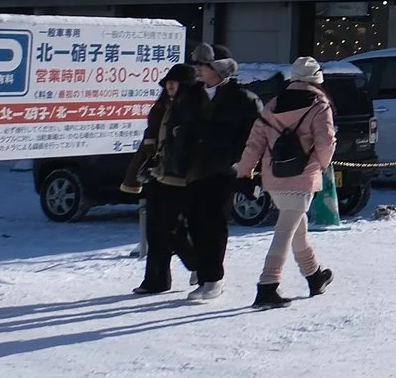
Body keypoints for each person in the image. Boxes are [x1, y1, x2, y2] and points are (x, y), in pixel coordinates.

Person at [236, 57, 338, 309]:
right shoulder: (318, 104)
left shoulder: (273, 104)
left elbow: (255, 142)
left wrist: (245, 171)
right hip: (302, 176)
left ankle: (315, 276)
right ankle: (267, 286)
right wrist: (320, 166)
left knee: (296, 229)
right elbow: (326, 142)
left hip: (274, 176)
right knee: (285, 232)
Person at [180, 51, 261, 303]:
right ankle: (204, 276)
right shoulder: (192, 95)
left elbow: (255, 137)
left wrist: (241, 164)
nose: (199, 69)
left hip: (224, 171)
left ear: (221, 69)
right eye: (199, 64)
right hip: (193, 169)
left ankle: (214, 278)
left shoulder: (243, 99)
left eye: (206, 65)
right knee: (194, 223)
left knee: (213, 224)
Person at [132, 64, 200, 296]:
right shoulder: (162, 107)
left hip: (182, 178)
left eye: (175, 82)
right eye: (167, 82)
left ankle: (200, 265)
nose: (170, 86)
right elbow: (151, 138)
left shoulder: (192, 107)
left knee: (172, 230)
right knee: (154, 229)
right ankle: (156, 279)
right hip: (158, 174)